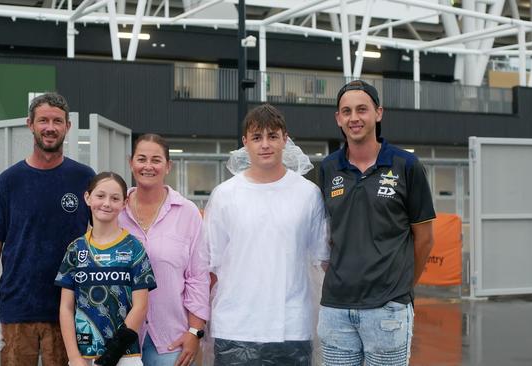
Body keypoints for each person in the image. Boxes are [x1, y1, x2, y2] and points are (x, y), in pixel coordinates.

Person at [0, 92, 96, 365]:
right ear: (30, 124)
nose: (50, 127)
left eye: (57, 121)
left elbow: (104, 239)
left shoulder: (84, 178)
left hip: (69, 312)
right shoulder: (10, 181)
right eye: (43, 120)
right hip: (17, 310)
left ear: (67, 127)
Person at [316, 80, 435, 366]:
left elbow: (425, 238)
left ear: (378, 113)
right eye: (346, 111)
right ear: (338, 119)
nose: (354, 118)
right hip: (335, 308)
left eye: (362, 109)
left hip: (387, 310)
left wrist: (401, 289)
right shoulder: (327, 168)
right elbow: (326, 233)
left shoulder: (406, 165)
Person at [204, 104, 330, 365]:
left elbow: (322, 262)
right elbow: (209, 266)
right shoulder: (224, 195)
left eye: (272, 136)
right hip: (235, 326)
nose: (265, 145)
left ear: (285, 139)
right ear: (245, 143)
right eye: (257, 137)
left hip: (292, 327)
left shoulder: (308, 194)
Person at [118, 134, 210, 366]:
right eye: (141, 159)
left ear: (168, 166)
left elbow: (198, 277)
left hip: (171, 339)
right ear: (131, 163)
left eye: (156, 160)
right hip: (120, 338)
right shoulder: (115, 209)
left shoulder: (187, 212)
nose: (148, 166)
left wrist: (195, 332)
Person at [56, 172, 157, 366]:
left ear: (124, 203)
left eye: (115, 198)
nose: (106, 203)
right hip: (83, 357)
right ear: (88, 197)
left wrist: (112, 355)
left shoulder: (134, 248)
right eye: (100, 196)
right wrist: (74, 357)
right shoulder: (76, 249)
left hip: (124, 357)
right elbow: (66, 307)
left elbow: (141, 306)